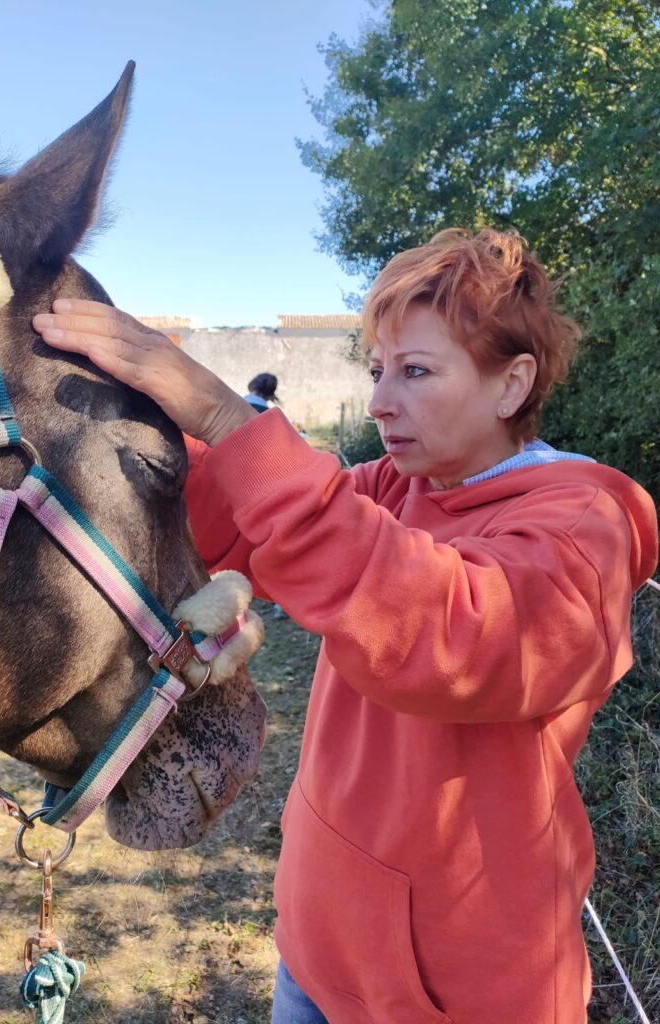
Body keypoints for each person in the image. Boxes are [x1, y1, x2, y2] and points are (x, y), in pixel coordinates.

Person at [32, 228, 658, 1024]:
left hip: (459, 996)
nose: (379, 401)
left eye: (417, 372)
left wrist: (231, 418)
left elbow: (455, 640)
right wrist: (125, 407)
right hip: (316, 948)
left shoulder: (583, 523)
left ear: (512, 384)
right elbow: (238, 518)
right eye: (377, 370)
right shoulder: (399, 487)